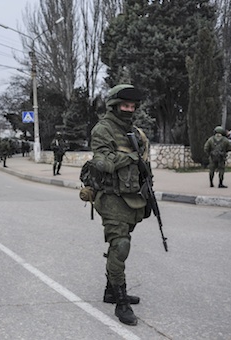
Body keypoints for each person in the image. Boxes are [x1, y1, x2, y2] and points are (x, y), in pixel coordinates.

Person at [90, 84, 148, 326]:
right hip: (111, 196)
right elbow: (102, 162)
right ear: (114, 105)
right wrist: (130, 156)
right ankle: (120, 301)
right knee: (121, 244)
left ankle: (109, 290)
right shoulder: (103, 129)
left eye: (132, 106)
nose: (129, 109)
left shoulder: (134, 131)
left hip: (132, 196)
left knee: (120, 245)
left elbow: (143, 164)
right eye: (125, 105)